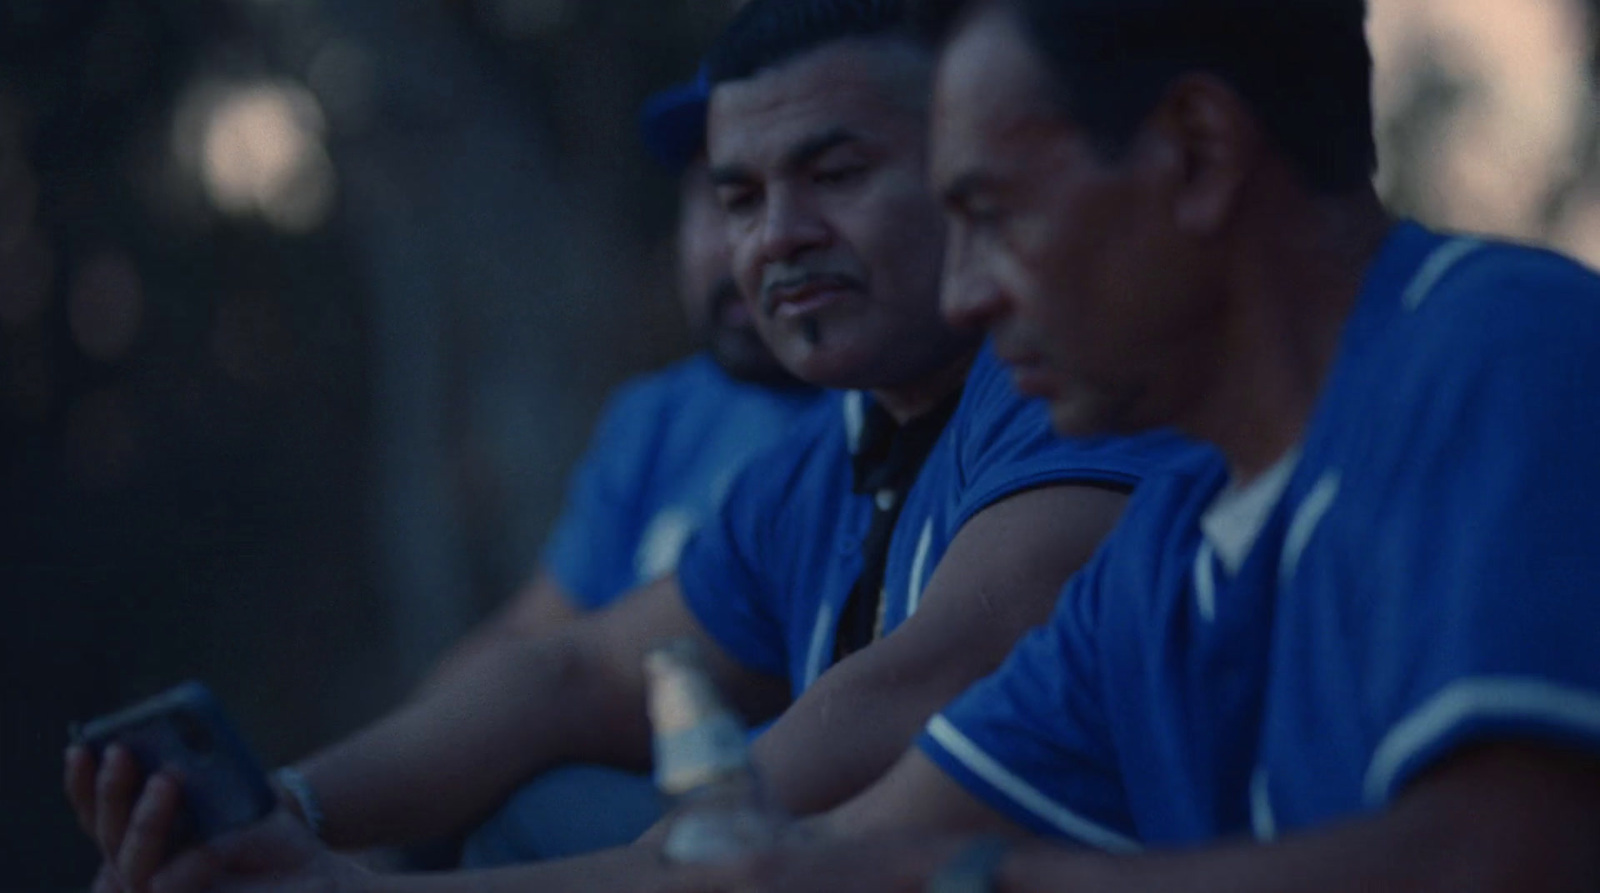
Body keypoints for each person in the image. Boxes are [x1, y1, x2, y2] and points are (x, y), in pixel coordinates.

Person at [63, 2, 1195, 890]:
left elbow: (868, 724)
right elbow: (572, 666)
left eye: (836, 174)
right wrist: (285, 808)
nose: (778, 237)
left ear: (964, 171)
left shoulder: (1064, 384)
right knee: (535, 798)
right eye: (739, 195)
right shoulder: (817, 460)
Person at [649, 0, 1600, 890]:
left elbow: (1505, 856)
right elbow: (834, 862)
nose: (963, 296)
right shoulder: (1159, 558)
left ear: (1196, 154)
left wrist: (985, 880)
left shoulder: (1501, 350)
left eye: (993, 214)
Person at [434, 73, 828, 866]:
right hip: (639, 833)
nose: (750, 243)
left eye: (826, 179)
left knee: (527, 811)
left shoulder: (872, 426)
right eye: (724, 196)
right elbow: (535, 638)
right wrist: (335, 810)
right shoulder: (660, 415)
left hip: (769, 835)